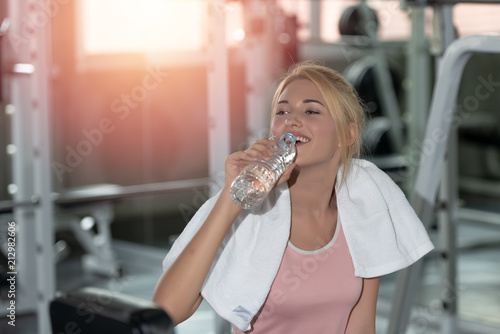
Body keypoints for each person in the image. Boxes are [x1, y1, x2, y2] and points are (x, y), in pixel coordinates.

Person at [153, 62, 434, 333]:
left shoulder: (363, 204)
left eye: (311, 111)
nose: (291, 120)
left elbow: (360, 326)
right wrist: (230, 199)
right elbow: (166, 311)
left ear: (347, 134)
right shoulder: (250, 211)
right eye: (282, 112)